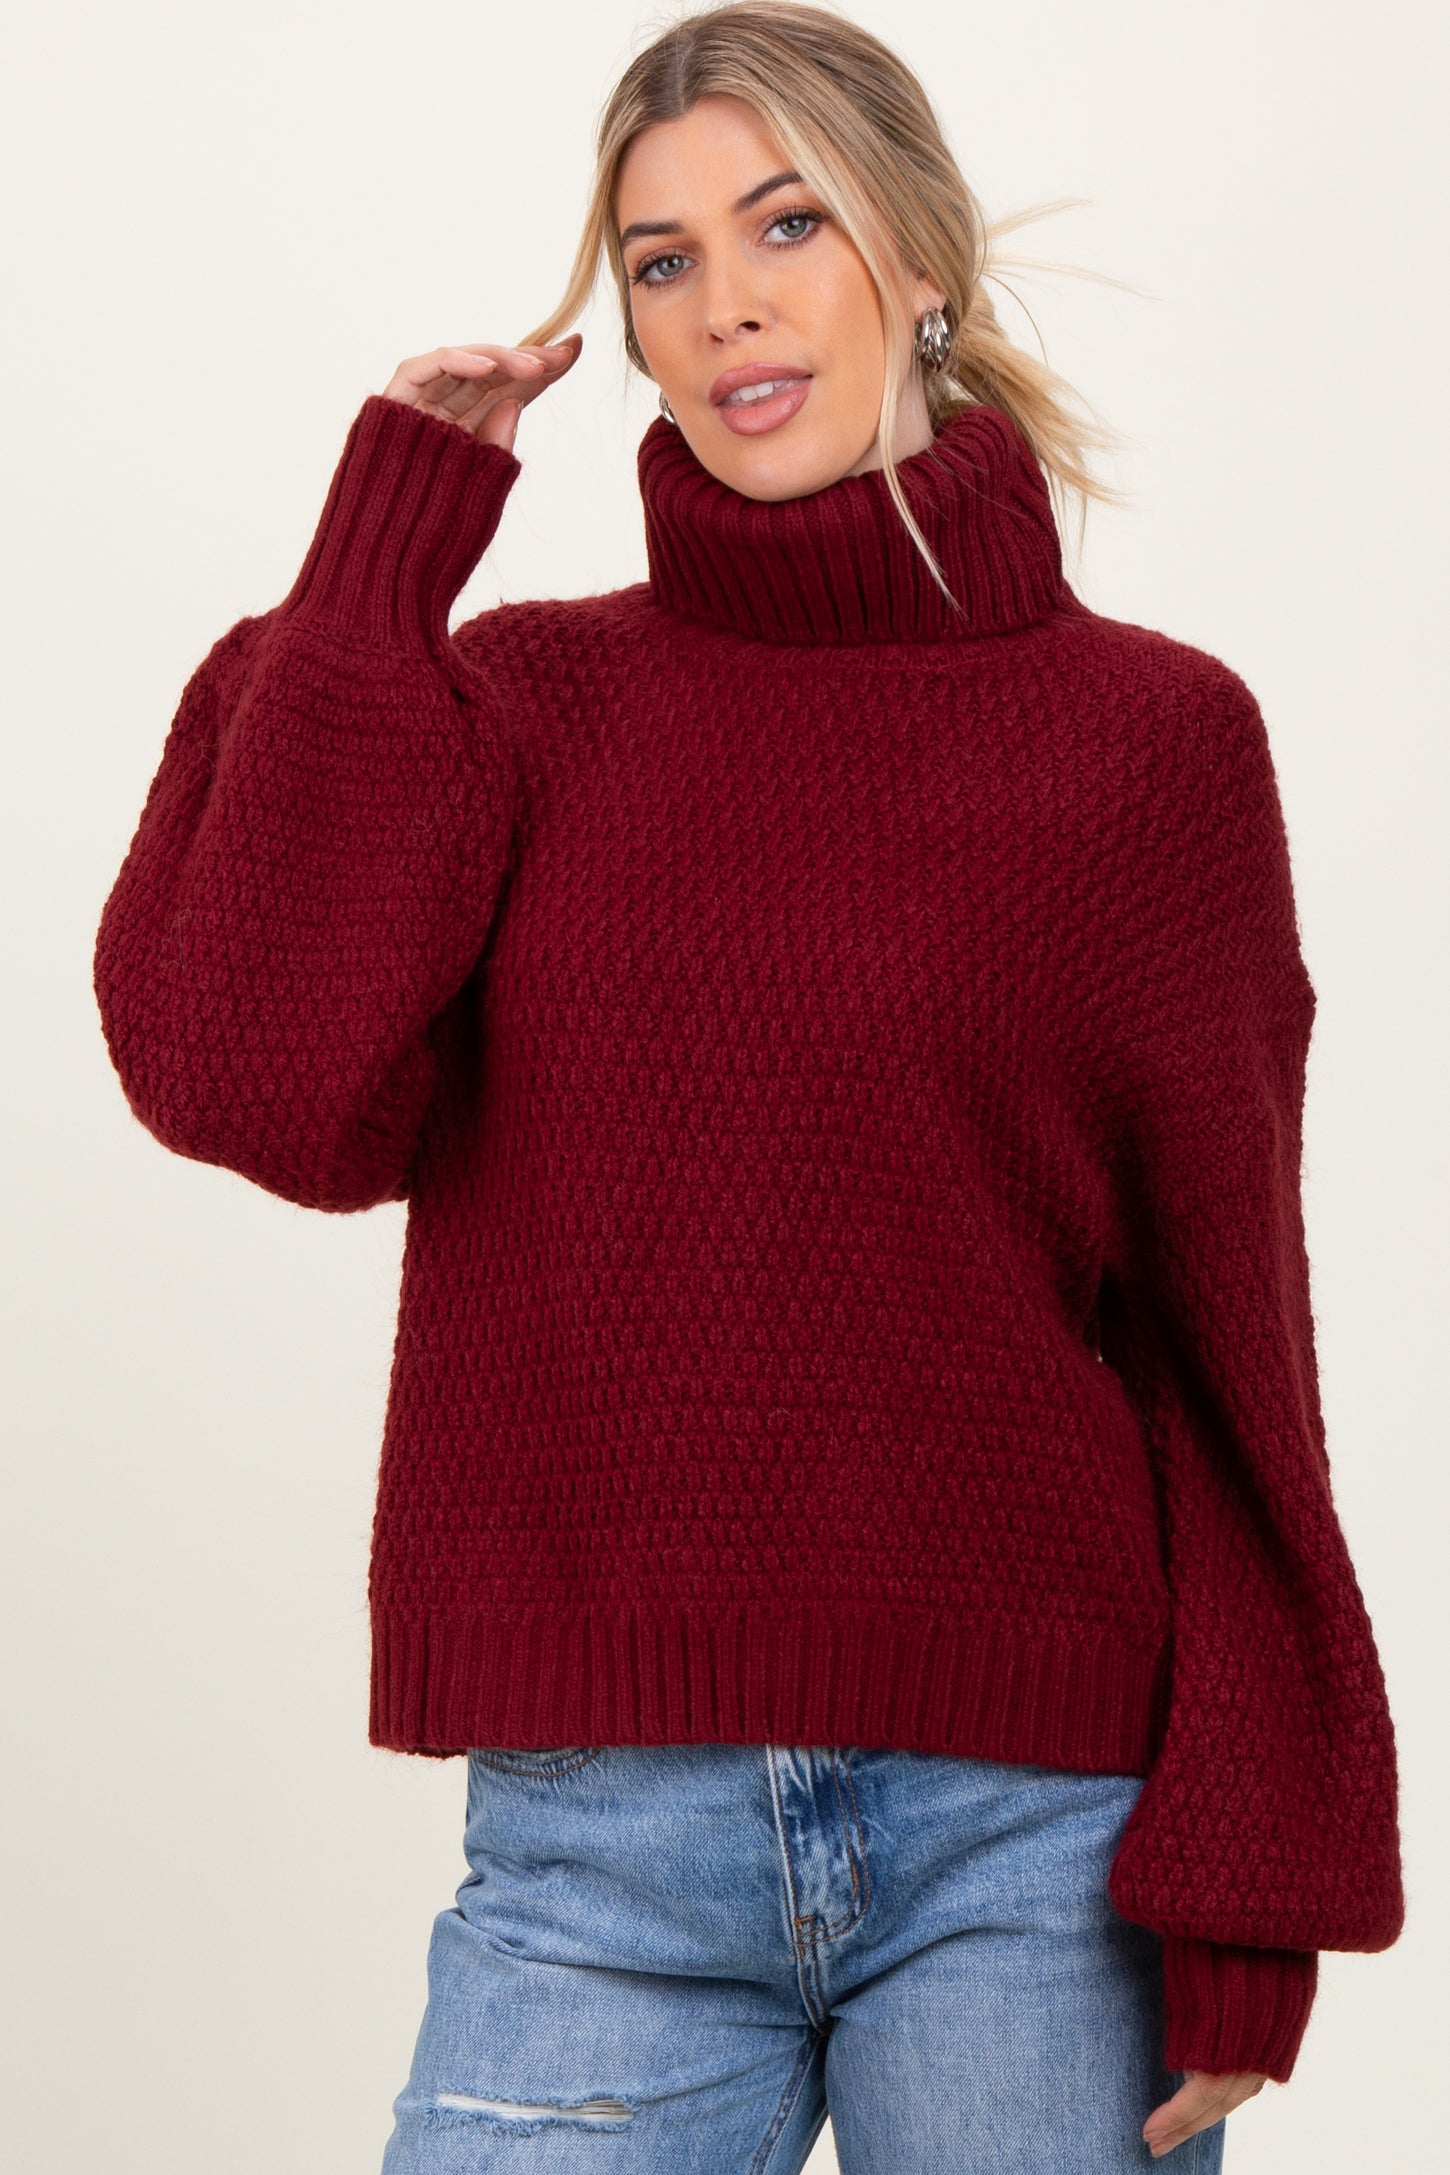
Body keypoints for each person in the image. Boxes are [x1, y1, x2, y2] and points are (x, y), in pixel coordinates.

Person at [91, 3, 1404, 2167]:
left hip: (1034, 1843)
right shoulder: (518, 709)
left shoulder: (1151, 749)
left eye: (785, 223)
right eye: (661, 259)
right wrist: (379, 561)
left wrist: (1262, 1884)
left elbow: (1227, 1339)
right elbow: (252, 1074)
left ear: (917, 256)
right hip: (596, 1851)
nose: (725, 304)